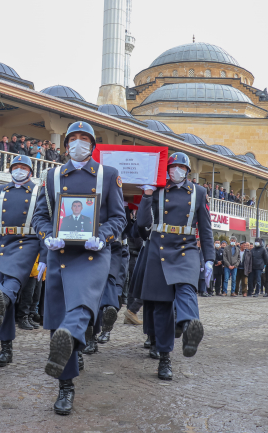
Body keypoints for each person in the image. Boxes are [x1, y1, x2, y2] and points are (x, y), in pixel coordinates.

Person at [32, 121, 125, 415]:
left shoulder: (107, 175)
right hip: (60, 254)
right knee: (60, 316)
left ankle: (70, 336)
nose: (79, 143)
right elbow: (40, 216)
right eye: (74, 138)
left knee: (83, 302)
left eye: (85, 138)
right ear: (66, 144)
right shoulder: (51, 176)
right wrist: (48, 236)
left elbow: (119, 217)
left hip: (93, 254)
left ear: (93, 145)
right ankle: (66, 386)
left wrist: (103, 236)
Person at [136, 152, 214, 382]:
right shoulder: (158, 189)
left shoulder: (199, 193)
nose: (176, 171)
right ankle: (164, 358)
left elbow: (206, 228)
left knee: (187, 287)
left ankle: (190, 327)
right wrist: (147, 195)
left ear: (188, 171)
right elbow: (142, 225)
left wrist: (209, 257)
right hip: (158, 247)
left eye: (181, 167)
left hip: (187, 248)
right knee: (161, 307)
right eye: (172, 167)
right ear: (166, 170)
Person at [0, 155, 45, 367]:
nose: (19, 170)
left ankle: (3, 298)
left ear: (30, 171)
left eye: (24, 167)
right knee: (3, 294)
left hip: (28, 241)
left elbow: (46, 224)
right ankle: (5, 348)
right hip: (2, 243)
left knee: (14, 278)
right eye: (16, 167)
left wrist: (45, 255)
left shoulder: (39, 191)